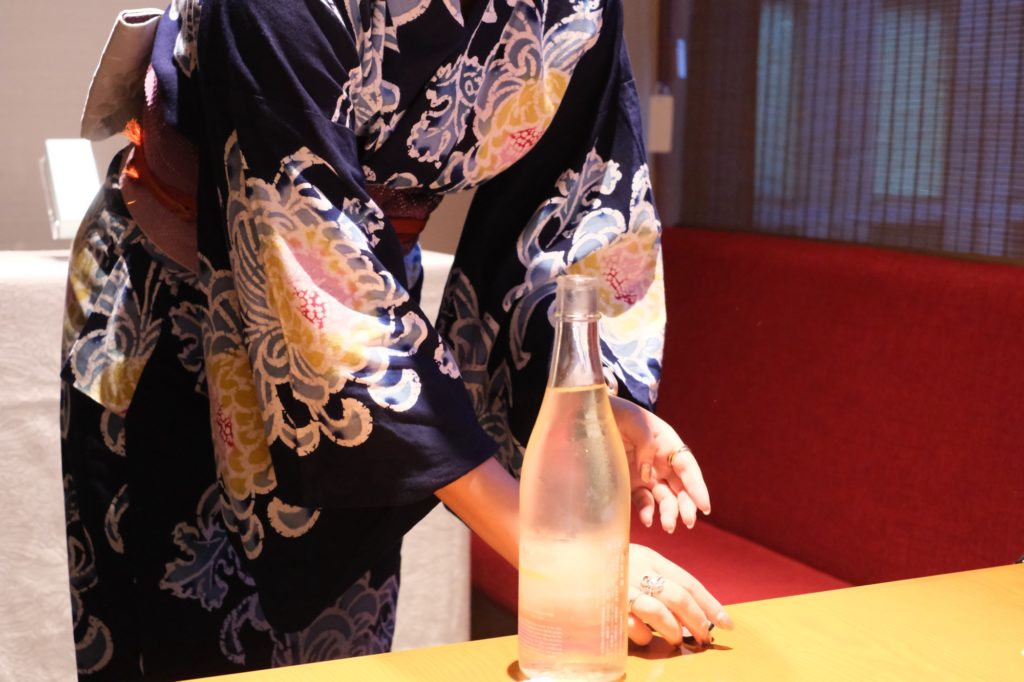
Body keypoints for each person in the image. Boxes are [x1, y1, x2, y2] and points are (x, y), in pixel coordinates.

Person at [60, 0, 731, 679]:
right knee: (182, 638)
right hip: (180, 301)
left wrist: (586, 394)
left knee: (344, 648)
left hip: (376, 308)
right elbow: (316, 255)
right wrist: (554, 554)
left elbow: (578, 204)